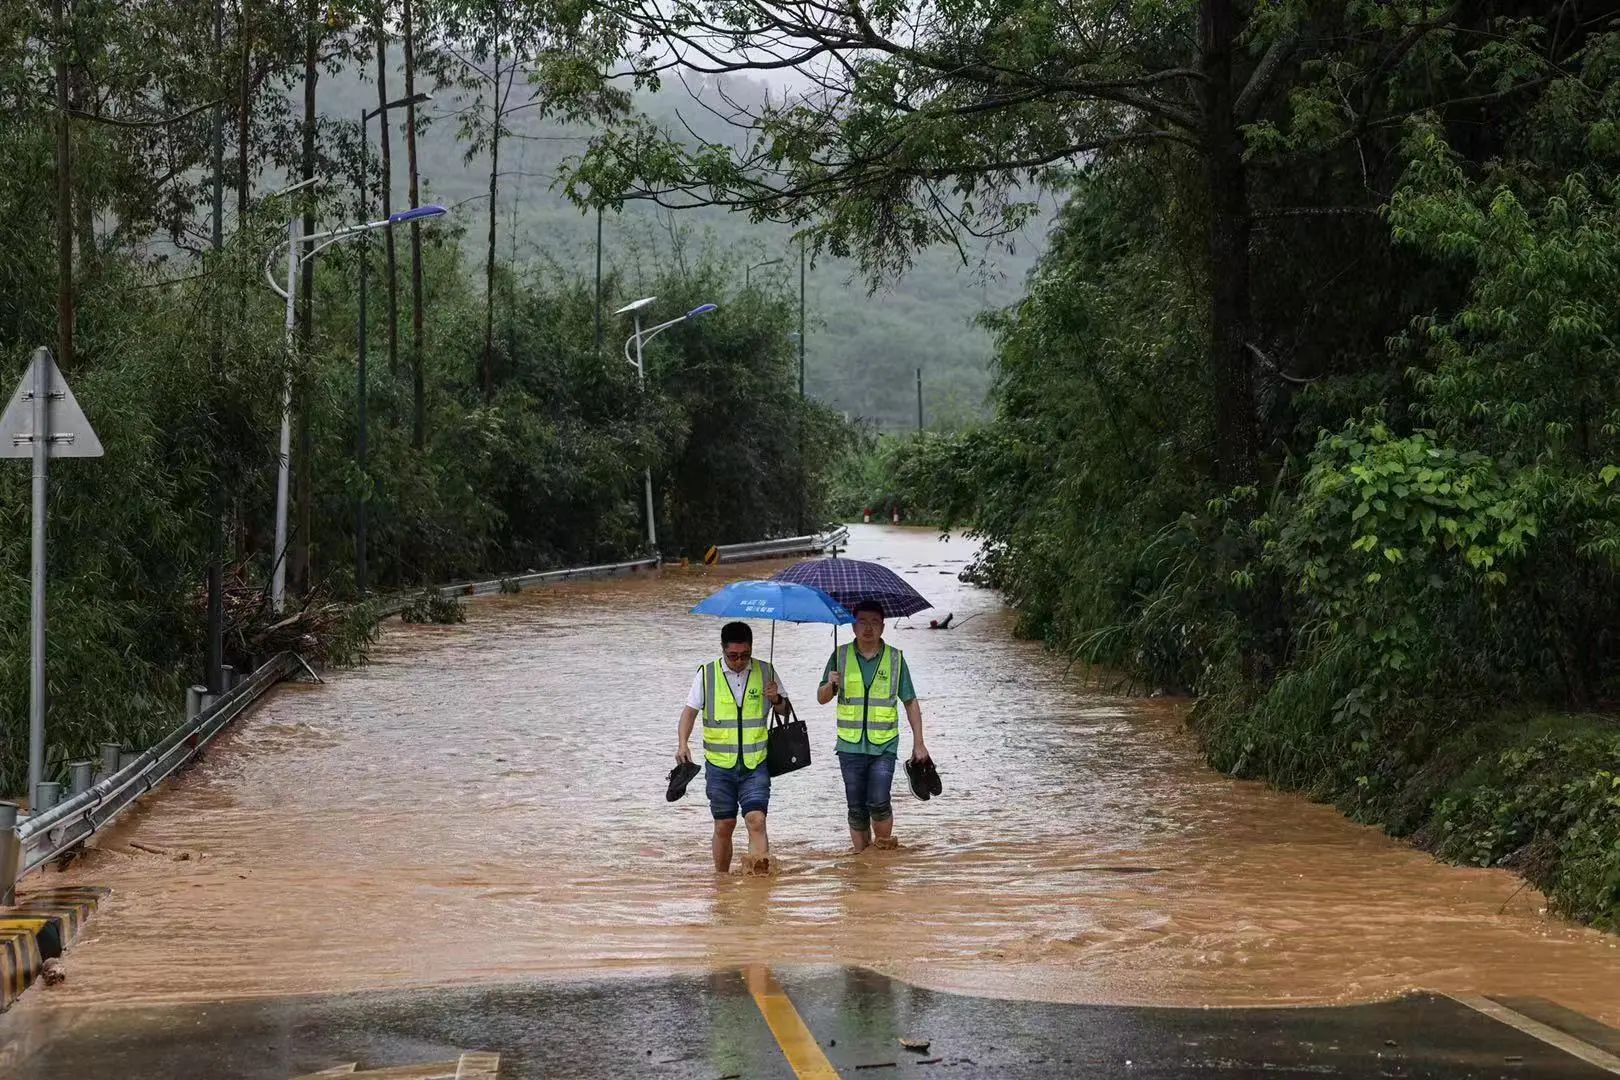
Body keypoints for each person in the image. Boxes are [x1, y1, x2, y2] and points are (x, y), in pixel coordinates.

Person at [676, 621, 789, 873]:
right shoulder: (706, 674)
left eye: (745, 655)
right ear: (723, 650)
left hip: (756, 762)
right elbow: (689, 713)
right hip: (719, 765)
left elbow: (785, 711)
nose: (739, 661)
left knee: (756, 820)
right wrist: (683, 743)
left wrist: (777, 699)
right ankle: (722, 882)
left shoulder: (766, 670)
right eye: (733, 656)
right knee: (724, 825)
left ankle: (758, 888)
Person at [817, 600, 928, 852]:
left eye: (874, 622)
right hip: (849, 744)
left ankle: (882, 856)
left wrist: (919, 743)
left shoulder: (895, 658)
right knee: (856, 808)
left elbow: (910, 702)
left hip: (884, 745)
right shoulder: (840, 656)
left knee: (878, 801)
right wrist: (831, 685)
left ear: (883, 626)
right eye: (862, 622)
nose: (868, 628)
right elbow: (821, 698)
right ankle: (862, 862)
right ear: (853, 626)